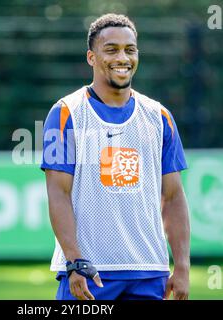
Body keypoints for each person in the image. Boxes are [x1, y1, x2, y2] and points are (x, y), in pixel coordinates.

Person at [40, 13, 190, 300]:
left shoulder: (160, 117)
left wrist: (181, 267)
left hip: (149, 272)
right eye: (111, 49)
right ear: (91, 57)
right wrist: (74, 261)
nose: (122, 57)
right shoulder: (65, 113)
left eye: (129, 50)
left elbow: (172, 197)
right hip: (89, 274)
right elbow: (58, 193)